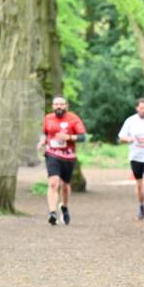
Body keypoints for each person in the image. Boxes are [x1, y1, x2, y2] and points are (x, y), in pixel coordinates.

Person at [36, 96, 87, 226]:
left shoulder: (73, 118)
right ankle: (52, 213)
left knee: (65, 186)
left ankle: (64, 207)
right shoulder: (48, 118)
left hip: (68, 156)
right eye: (56, 104)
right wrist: (42, 140)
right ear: (53, 106)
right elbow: (45, 133)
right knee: (53, 183)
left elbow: (82, 137)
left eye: (61, 104)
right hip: (52, 153)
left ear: (66, 106)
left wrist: (68, 137)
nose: (59, 107)